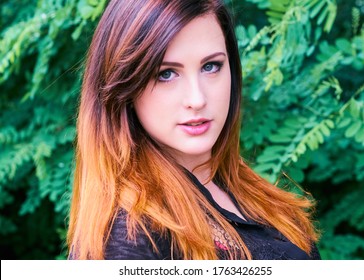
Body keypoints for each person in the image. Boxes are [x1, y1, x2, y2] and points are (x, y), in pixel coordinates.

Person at [67, 0, 320, 260]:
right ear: (123, 86)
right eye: (166, 74)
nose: (197, 99)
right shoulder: (129, 234)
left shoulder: (256, 194)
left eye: (211, 66)